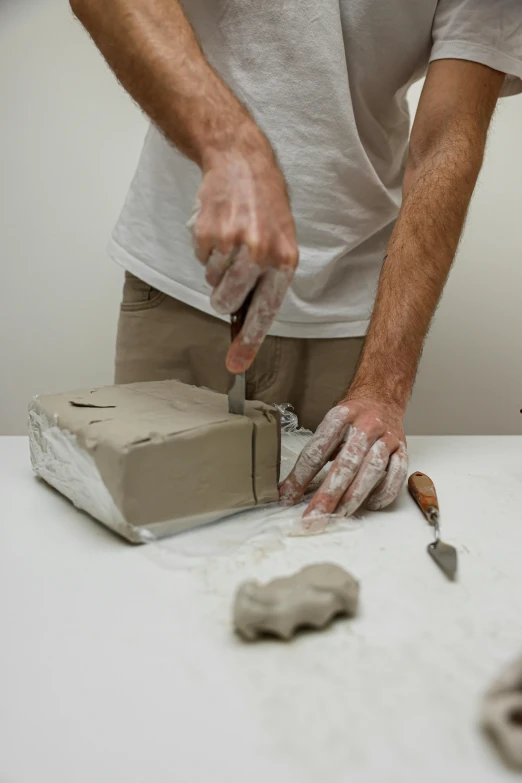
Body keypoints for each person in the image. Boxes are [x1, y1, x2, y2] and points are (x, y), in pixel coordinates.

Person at [71, 0, 521, 519]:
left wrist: (383, 385)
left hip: (354, 330)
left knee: (333, 545)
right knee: (150, 534)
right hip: (184, 283)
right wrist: (231, 146)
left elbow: (445, 142)